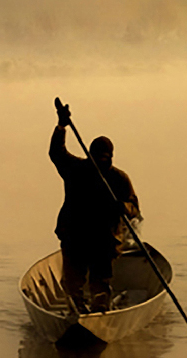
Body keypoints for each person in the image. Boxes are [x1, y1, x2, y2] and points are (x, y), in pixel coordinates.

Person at [50, 100, 140, 312]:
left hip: (104, 241)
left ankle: (100, 316)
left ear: (111, 158)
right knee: (73, 286)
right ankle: (76, 313)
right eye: (96, 158)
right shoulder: (75, 169)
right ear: (89, 155)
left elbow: (135, 207)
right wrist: (61, 126)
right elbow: (56, 152)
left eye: (104, 159)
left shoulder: (118, 178)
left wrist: (124, 207)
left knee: (100, 285)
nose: (100, 162)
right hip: (75, 237)